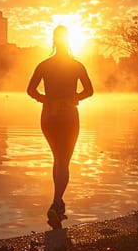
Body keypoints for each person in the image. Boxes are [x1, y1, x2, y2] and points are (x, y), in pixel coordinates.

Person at [26, 25, 94, 229]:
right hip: (69, 117)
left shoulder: (45, 65)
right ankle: (56, 203)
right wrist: (74, 98)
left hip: (49, 116)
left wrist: (46, 100)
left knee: (58, 159)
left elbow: (30, 90)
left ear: (54, 41)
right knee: (64, 160)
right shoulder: (76, 65)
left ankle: (58, 203)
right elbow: (90, 91)